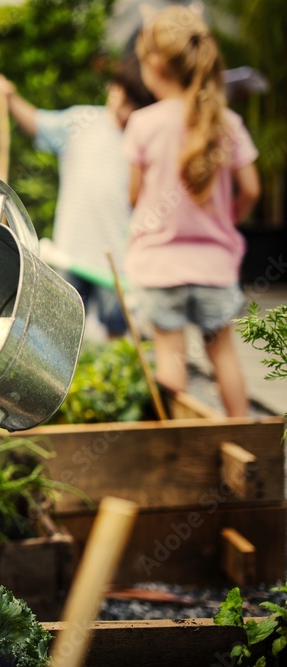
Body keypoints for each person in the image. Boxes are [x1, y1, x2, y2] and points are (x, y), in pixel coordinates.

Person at [124, 6, 260, 417]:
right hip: (214, 264)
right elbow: (251, 190)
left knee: (170, 355)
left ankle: (174, 445)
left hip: (160, 266)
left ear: (156, 64)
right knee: (223, 355)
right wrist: (225, 220)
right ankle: (244, 436)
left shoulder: (143, 124)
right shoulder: (228, 123)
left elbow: (133, 197)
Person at [0, 56, 155, 339]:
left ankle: (116, 380)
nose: (124, 108)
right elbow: (38, 123)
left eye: (133, 104)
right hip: (71, 251)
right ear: (114, 88)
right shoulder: (82, 121)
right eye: (121, 95)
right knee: (59, 332)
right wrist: (10, 97)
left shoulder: (144, 138)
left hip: (116, 258)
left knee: (119, 330)